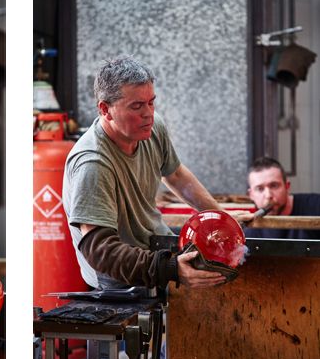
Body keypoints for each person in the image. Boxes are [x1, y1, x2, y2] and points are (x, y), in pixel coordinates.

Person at [63, 56, 250, 292]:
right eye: (136, 106)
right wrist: (169, 269)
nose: (148, 113)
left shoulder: (151, 127)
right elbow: (101, 251)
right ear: (105, 109)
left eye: (151, 102)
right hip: (119, 284)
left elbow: (176, 175)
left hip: (156, 250)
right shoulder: (93, 163)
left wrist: (220, 218)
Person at [245, 156, 320, 240]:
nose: (268, 195)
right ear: (250, 195)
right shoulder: (249, 230)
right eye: (260, 189)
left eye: (274, 186)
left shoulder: (316, 206)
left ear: (287, 186)